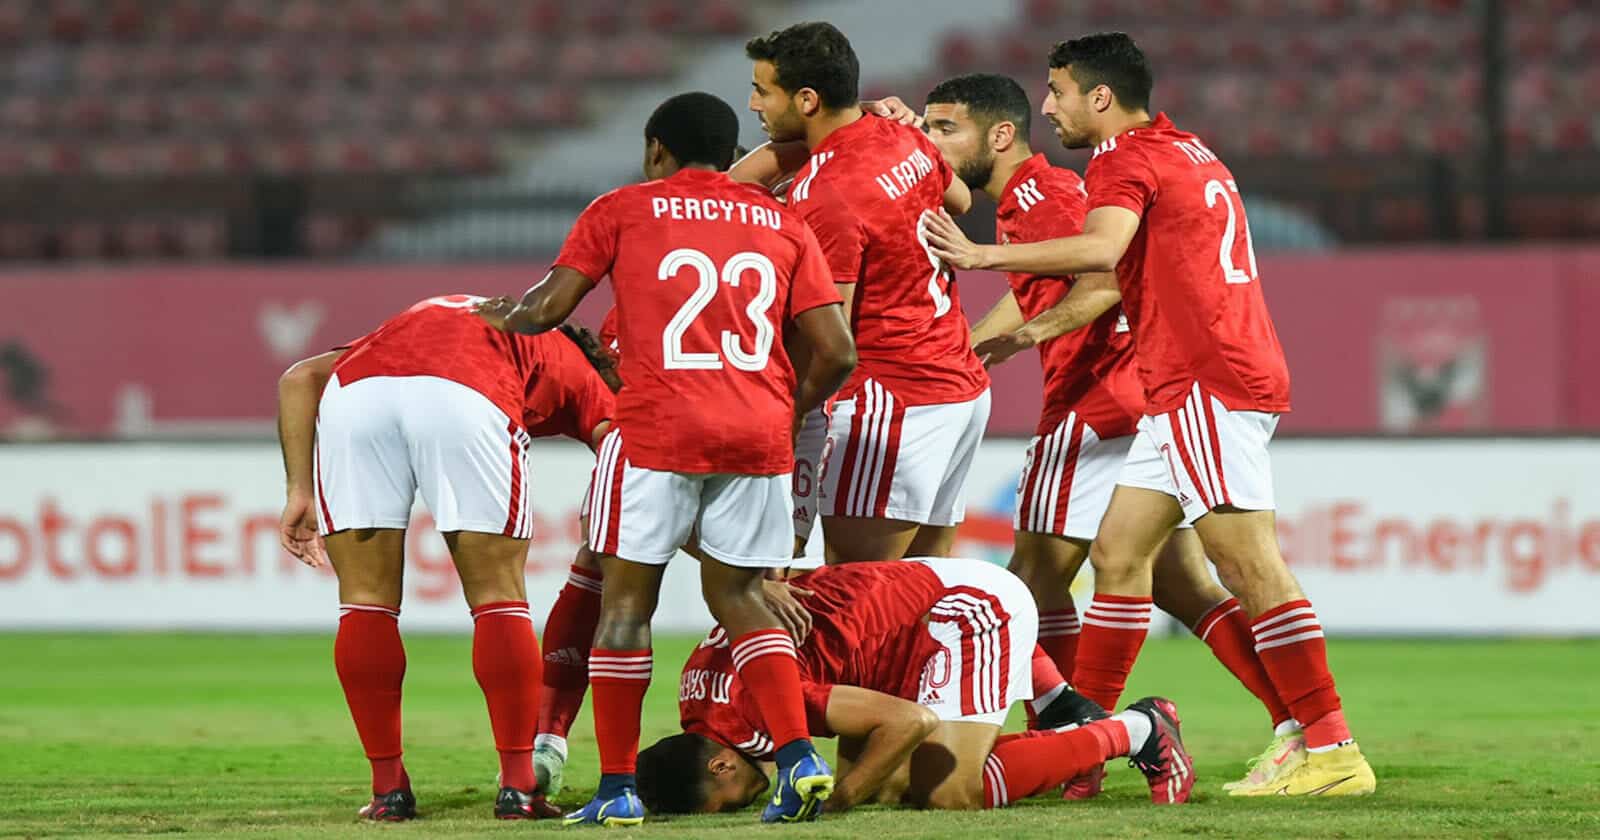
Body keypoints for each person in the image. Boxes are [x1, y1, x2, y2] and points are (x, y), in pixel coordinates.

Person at [920, 33, 1374, 796]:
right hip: (1179, 386)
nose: (1048, 108)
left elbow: (1102, 254)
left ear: (1100, 96)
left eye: (1059, 91)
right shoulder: (1187, 149)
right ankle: (1092, 748)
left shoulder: (1117, 160)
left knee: (1248, 565)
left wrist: (978, 258)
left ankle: (1329, 747)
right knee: (1122, 554)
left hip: (1201, 378)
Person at [473, 91, 857, 825]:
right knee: (741, 599)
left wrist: (495, 315)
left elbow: (546, 310)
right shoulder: (783, 222)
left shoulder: (623, 208)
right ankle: (800, 758)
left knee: (625, 609)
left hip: (658, 429)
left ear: (656, 149)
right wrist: (785, 411)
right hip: (757, 435)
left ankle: (617, 789)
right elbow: (839, 352)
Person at [275, 298, 616, 821]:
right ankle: (519, 787)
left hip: (356, 396)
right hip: (467, 389)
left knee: (364, 600)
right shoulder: (569, 358)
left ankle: (388, 792)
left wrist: (299, 489)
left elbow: (299, 379)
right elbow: (622, 450)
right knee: (498, 595)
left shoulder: (435, 320)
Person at [635, 559, 1195, 813]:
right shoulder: (699, 698)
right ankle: (1061, 713)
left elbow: (909, 720)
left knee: (949, 794)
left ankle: (1136, 729)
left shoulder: (759, 709)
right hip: (901, 623)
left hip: (961, 611)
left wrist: (839, 804)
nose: (740, 809)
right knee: (891, 785)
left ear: (720, 766)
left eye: (724, 808)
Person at [733, 22, 990, 564]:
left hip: (892, 403)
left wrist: (786, 412)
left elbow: (830, 336)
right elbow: (961, 199)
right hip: (957, 384)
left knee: (857, 587)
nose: (753, 103)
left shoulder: (826, 193)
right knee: (920, 585)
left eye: (762, 90)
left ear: (807, 99)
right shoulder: (903, 134)